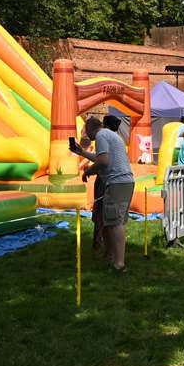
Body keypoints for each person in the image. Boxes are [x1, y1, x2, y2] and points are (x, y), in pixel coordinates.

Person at [71, 115, 135, 273]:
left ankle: (119, 264)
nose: (87, 136)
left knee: (114, 223)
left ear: (91, 129)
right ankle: (112, 257)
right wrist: (82, 153)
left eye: (86, 132)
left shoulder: (100, 135)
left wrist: (88, 171)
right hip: (124, 182)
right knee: (111, 222)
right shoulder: (110, 134)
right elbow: (102, 157)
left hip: (116, 182)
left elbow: (103, 162)